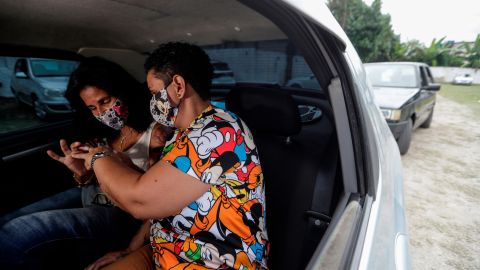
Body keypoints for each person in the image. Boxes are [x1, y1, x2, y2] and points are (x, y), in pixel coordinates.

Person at [73, 42, 269, 270]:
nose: (152, 101)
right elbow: (159, 204)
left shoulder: (218, 131)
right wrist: (130, 250)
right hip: (167, 249)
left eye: (155, 93)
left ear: (178, 85)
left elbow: (139, 202)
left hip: (213, 260)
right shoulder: (182, 134)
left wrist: (99, 157)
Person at [0, 57, 170, 269]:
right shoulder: (102, 134)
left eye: (105, 101)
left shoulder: (157, 135)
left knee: (19, 233)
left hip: (124, 213)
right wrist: (82, 174)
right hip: (91, 199)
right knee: (7, 220)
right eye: (91, 107)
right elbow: (91, 180)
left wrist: (131, 250)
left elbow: (159, 201)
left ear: (123, 91)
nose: (101, 113)